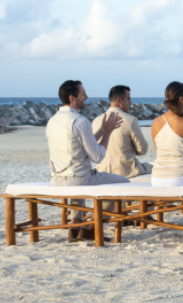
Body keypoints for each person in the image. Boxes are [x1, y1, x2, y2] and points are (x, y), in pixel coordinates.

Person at [48, 80, 129, 242]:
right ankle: (91, 227)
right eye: (83, 94)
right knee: (123, 182)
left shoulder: (52, 121)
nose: (86, 96)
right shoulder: (80, 121)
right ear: (73, 98)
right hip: (79, 179)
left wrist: (101, 130)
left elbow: (85, 143)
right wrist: (107, 132)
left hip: (56, 179)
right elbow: (97, 156)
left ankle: (75, 227)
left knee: (79, 183)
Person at [94, 85, 153, 178]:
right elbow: (143, 149)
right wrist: (130, 149)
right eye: (128, 99)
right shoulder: (130, 120)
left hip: (102, 171)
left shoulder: (96, 121)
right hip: (126, 171)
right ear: (119, 101)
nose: (130, 103)